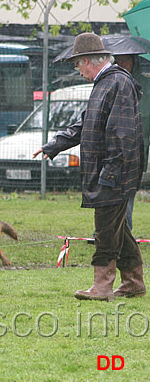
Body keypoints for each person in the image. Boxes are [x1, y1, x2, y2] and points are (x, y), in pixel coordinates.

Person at [34, 33, 146, 301]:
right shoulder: (106, 83)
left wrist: (110, 173)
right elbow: (85, 125)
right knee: (118, 228)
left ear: (87, 61)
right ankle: (133, 282)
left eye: (77, 64)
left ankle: (102, 286)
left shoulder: (117, 83)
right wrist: (54, 146)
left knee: (105, 230)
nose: (77, 70)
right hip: (111, 172)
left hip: (114, 174)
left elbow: (122, 134)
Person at [113, 53, 150, 231]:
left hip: (136, 149)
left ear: (134, 62)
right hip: (114, 148)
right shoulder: (111, 82)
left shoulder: (145, 85)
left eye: (127, 59)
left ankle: (124, 229)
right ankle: (108, 229)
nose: (123, 63)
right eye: (119, 59)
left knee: (128, 193)